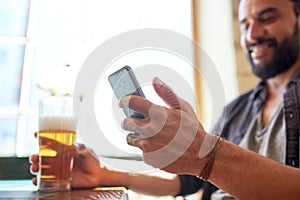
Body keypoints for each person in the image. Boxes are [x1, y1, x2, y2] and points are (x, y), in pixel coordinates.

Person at [30, 0, 300, 199]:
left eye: (266, 18)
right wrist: (104, 175)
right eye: (245, 24)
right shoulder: (239, 108)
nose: (251, 35)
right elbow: (187, 182)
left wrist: (206, 156)